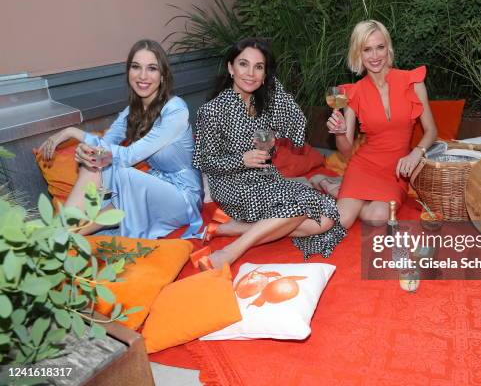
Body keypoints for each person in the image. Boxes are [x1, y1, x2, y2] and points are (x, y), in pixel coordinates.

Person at [192, 37, 346, 269]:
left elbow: (297, 127)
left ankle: (236, 228)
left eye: (259, 67)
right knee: (302, 208)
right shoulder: (212, 110)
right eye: (243, 64)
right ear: (230, 68)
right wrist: (241, 159)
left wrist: (273, 89)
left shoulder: (265, 102)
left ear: (265, 74)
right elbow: (204, 161)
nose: (250, 73)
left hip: (267, 179)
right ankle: (232, 251)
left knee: (326, 217)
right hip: (232, 185)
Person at [38, 39, 202, 238]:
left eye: (152, 68)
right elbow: (107, 144)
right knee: (95, 164)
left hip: (183, 197)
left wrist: (72, 132)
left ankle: (60, 235)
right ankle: (62, 233)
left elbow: (128, 156)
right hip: (153, 187)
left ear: (163, 75)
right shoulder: (131, 112)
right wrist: (89, 152)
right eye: (136, 67)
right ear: (128, 72)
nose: (143, 76)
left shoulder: (176, 110)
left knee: (124, 172)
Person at [316, 20, 437, 228]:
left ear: (388, 48)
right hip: (364, 166)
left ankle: (336, 188)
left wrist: (416, 153)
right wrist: (340, 132)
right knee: (342, 221)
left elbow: (432, 131)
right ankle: (330, 185)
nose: (374, 56)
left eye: (380, 47)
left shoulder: (413, 82)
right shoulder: (353, 93)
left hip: (396, 170)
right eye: (367, 49)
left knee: (378, 216)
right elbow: (346, 152)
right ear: (359, 54)